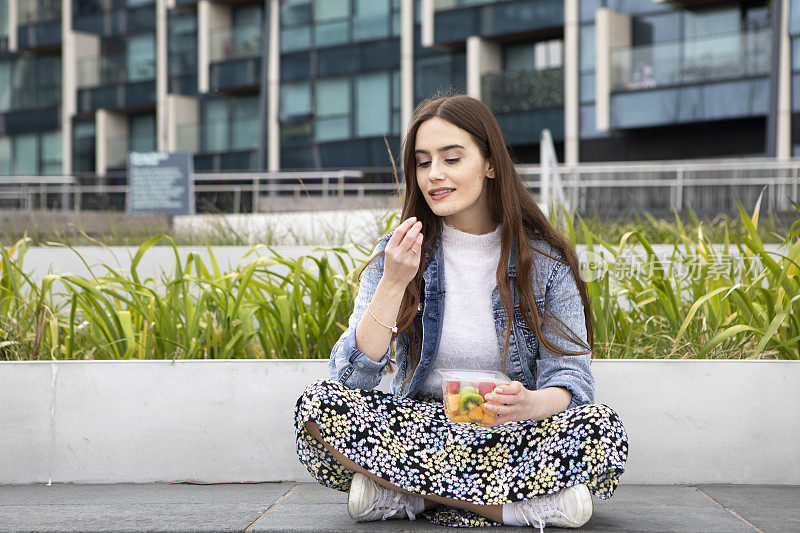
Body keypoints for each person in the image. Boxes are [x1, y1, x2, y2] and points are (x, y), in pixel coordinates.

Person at [294, 94, 628, 531]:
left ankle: (407, 495)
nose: (435, 175)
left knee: (602, 428)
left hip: (513, 434)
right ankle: (517, 508)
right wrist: (393, 282)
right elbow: (350, 379)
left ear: (490, 163)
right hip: (423, 428)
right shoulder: (396, 253)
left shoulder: (545, 262)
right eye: (422, 162)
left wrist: (528, 404)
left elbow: (572, 379)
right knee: (318, 405)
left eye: (452, 159)